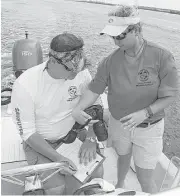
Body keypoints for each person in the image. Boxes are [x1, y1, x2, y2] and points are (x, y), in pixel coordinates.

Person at [72, 5, 179, 194]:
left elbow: (170, 95)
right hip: (118, 122)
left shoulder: (162, 57)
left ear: (136, 30)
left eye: (120, 36)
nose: (115, 41)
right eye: (112, 36)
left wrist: (145, 113)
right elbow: (94, 88)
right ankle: (120, 184)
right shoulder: (109, 61)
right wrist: (77, 108)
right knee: (122, 156)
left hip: (149, 127)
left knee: (144, 177)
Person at [11, 33, 103, 195]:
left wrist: (90, 138)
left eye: (79, 69)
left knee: (97, 176)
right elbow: (28, 132)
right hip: (42, 142)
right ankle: (35, 178)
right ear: (53, 61)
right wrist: (58, 158)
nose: (75, 75)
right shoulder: (25, 84)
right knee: (57, 189)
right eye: (70, 70)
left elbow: (94, 104)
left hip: (75, 134)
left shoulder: (81, 72)